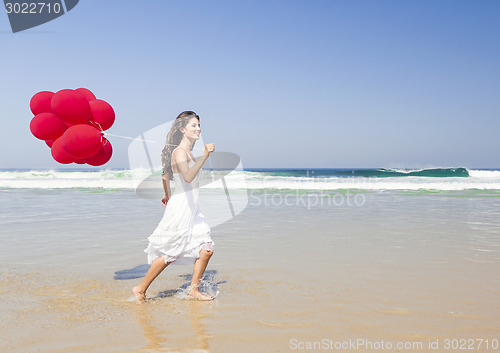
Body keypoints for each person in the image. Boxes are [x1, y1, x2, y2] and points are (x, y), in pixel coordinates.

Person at [132, 111, 215, 302]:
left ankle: (193, 289)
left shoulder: (187, 152)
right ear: (182, 129)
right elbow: (187, 177)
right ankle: (141, 288)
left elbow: (165, 176)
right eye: (193, 125)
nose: (198, 129)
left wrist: (168, 195)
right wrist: (204, 155)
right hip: (181, 208)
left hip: (191, 207)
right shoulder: (179, 152)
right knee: (171, 251)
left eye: (199, 125)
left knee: (206, 249)